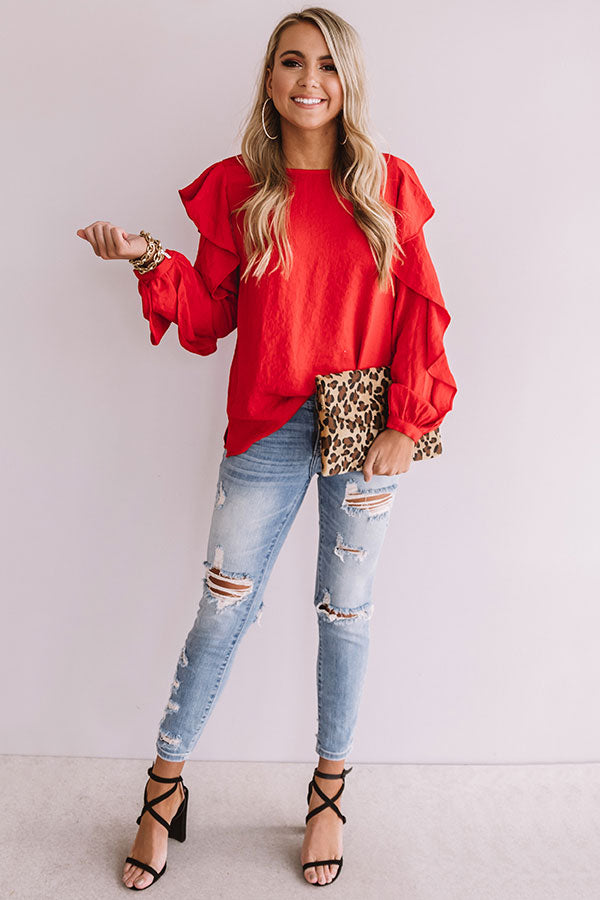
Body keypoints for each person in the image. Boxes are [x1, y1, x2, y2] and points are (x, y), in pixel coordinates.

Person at [76, 7, 457, 891]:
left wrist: (410, 422)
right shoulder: (240, 186)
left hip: (364, 423)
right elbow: (211, 315)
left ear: (347, 81)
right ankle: (163, 788)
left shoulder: (388, 184)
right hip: (267, 422)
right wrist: (146, 258)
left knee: (345, 612)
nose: (308, 80)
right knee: (224, 609)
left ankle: (329, 793)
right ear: (270, 79)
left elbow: (421, 308)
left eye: (326, 64)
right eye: (291, 62)